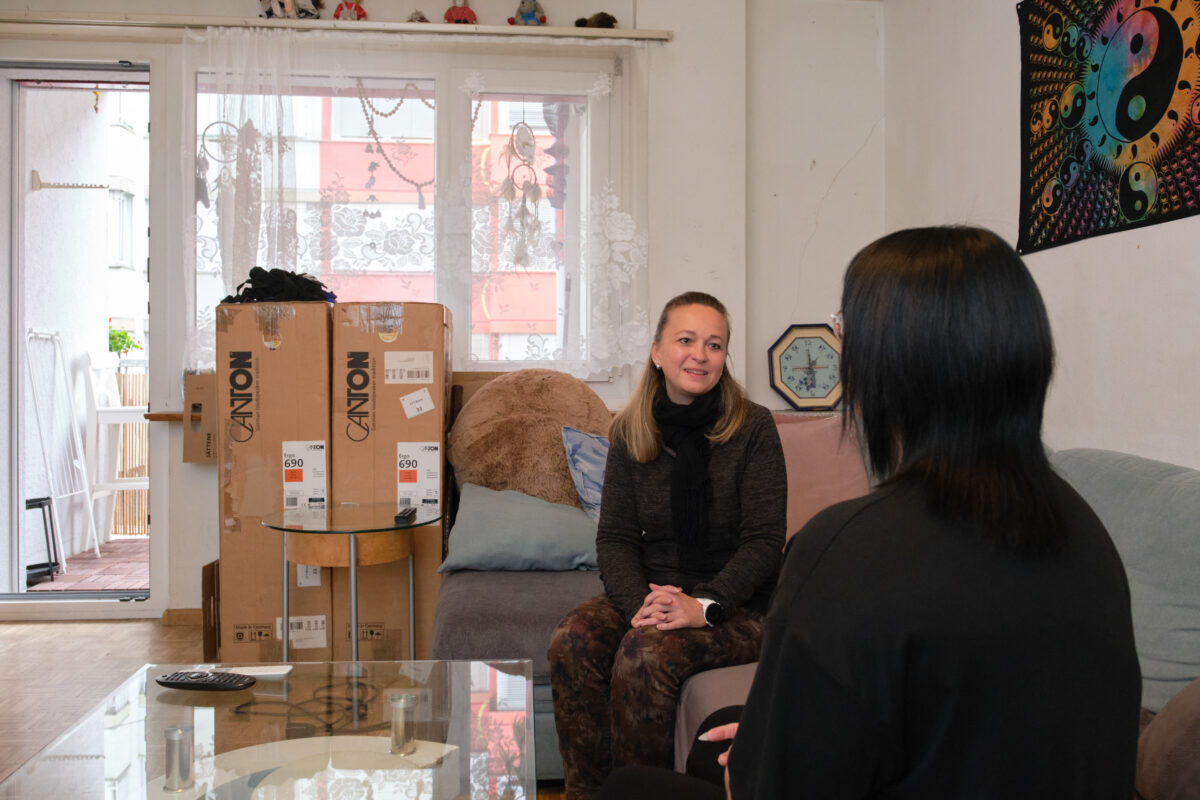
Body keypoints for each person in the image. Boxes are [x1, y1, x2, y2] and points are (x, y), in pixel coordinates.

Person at [599, 226, 1142, 800]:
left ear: (890, 365)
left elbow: (767, 783)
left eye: (844, 329)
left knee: (632, 789)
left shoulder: (847, 550)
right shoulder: (1087, 533)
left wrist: (759, 753)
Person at [548, 291, 787, 800]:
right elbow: (614, 537)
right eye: (686, 340)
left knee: (645, 655)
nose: (700, 354)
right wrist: (643, 605)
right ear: (657, 351)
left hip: (741, 606)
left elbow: (765, 542)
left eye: (714, 344)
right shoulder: (631, 431)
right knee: (572, 639)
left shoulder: (753, 428)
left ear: (724, 358)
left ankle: (643, 794)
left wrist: (702, 605)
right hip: (655, 591)